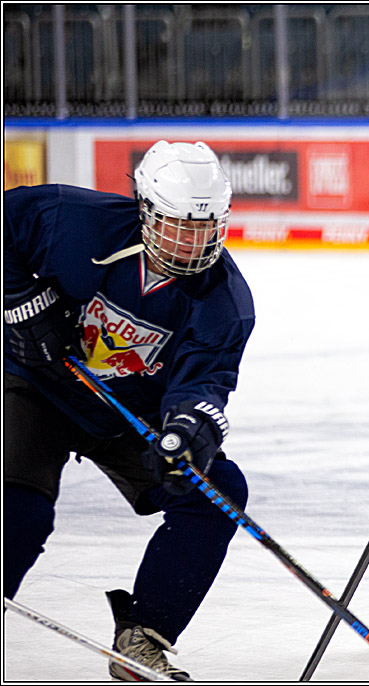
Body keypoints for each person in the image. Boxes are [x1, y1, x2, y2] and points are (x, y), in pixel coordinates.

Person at [4, 140, 255, 680]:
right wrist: (21, 301)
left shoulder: (225, 300)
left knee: (218, 493)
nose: (193, 242)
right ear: (144, 209)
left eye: (205, 227)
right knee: (20, 509)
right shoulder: (76, 222)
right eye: (178, 225)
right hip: (38, 388)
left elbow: (205, 383)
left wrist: (189, 433)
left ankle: (144, 633)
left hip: (126, 415)